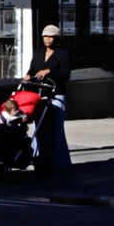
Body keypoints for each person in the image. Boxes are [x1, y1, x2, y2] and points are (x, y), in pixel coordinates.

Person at [28, 23, 71, 173]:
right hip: (41, 94)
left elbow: (65, 74)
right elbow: (33, 69)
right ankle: (40, 159)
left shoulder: (62, 54)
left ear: (56, 38)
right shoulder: (38, 53)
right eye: (45, 36)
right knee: (39, 127)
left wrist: (49, 71)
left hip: (56, 93)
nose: (47, 40)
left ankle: (60, 161)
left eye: (51, 37)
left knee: (56, 129)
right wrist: (29, 76)